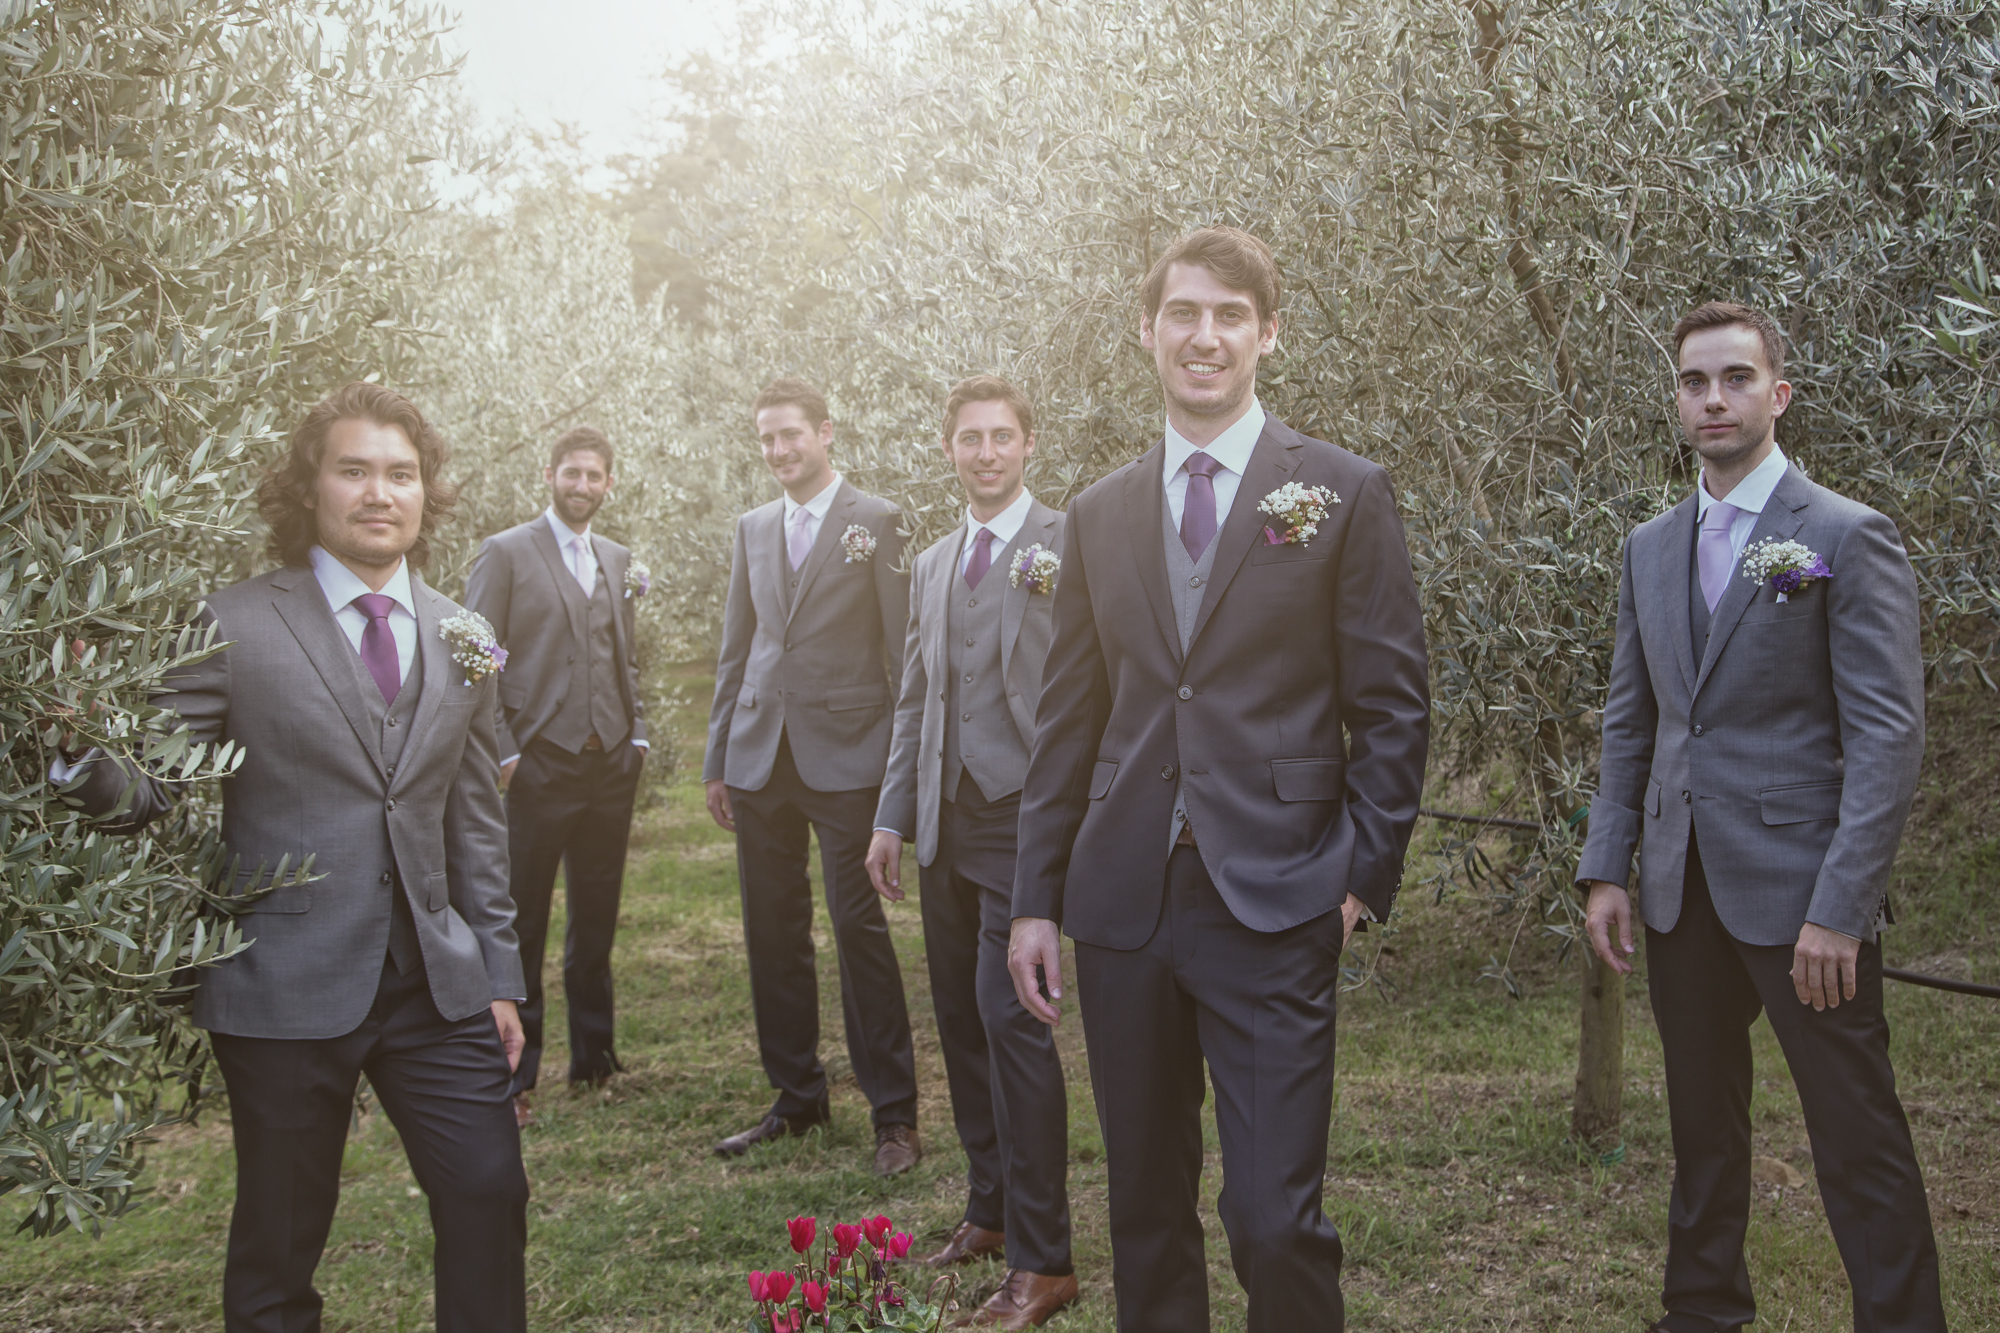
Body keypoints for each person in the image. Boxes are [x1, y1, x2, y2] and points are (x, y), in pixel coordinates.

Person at [1008, 228, 1431, 1332]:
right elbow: (1067, 723)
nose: (1205, 337)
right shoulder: (1097, 512)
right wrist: (1033, 899)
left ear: (1268, 334)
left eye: (1230, 315)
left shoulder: (1341, 490)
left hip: (1279, 895)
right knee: (1146, 1211)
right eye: (1184, 314)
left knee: (1274, 1217)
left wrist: (1357, 878)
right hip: (1125, 902)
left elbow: (1393, 707)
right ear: (1147, 331)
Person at [53, 383, 529, 1332]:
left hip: (436, 989)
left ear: (426, 493)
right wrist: (74, 751)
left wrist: (501, 976)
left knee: (489, 1191)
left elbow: (474, 825)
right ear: (310, 487)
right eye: (353, 470)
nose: (379, 492)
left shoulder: (463, 633)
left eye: (401, 474)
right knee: (281, 1241)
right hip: (282, 986)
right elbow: (149, 784)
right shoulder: (231, 623)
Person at [1579, 301, 1944, 1333]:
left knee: (1856, 1136)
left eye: (1735, 378)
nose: (1714, 398)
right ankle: (1700, 1311)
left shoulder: (1843, 535)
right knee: (1701, 1127)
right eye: (1694, 381)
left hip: (1801, 898)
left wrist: (1840, 909)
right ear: (1676, 400)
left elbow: (1887, 737)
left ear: (1776, 395)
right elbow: (1633, 717)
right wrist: (1607, 866)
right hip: (1675, 887)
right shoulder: (1649, 547)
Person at [865, 376, 1079, 1328]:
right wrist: (891, 816)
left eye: (1001, 436)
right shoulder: (932, 562)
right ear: (949, 448)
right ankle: (990, 1211)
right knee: (960, 1019)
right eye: (969, 438)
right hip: (945, 824)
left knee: (1011, 1020)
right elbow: (916, 696)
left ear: (1029, 444)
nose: (986, 452)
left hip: (1026, 816)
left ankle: (1046, 1259)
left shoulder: (1070, 542)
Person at [702, 377, 922, 1175]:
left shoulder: (879, 521)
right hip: (760, 754)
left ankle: (894, 1114)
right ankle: (797, 1097)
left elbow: (902, 653)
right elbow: (737, 644)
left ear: (825, 432)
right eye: (766, 438)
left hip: (849, 755)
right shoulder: (752, 527)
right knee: (772, 930)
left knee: (857, 927)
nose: (778, 450)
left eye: (790, 433)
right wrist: (718, 757)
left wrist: (899, 775)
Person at [464, 425, 649, 1126]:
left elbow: (622, 654)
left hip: (611, 763)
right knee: (523, 920)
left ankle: (594, 1058)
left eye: (594, 475)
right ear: (549, 475)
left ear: (608, 484)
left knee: (596, 916)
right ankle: (515, 1072)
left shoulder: (616, 557)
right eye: (571, 472)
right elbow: (476, 657)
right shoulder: (506, 552)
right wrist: (506, 751)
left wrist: (636, 732)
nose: (582, 485)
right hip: (538, 766)